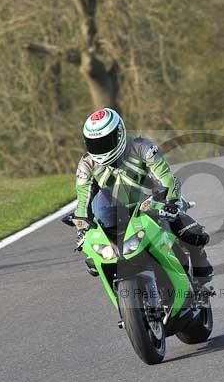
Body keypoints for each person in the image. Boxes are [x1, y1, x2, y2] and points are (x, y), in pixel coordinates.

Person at [72, 108, 213, 285]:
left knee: (191, 233)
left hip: (153, 205)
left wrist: (172, 201)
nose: (101, 149)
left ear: (119, 134)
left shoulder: (142, 147)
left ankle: (200, 271)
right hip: (114, 215)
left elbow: (166, 177)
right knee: (94, 260)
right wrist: (82, 226)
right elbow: (83, 198)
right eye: (95, 144)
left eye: (105, 142)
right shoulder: (87, 163)